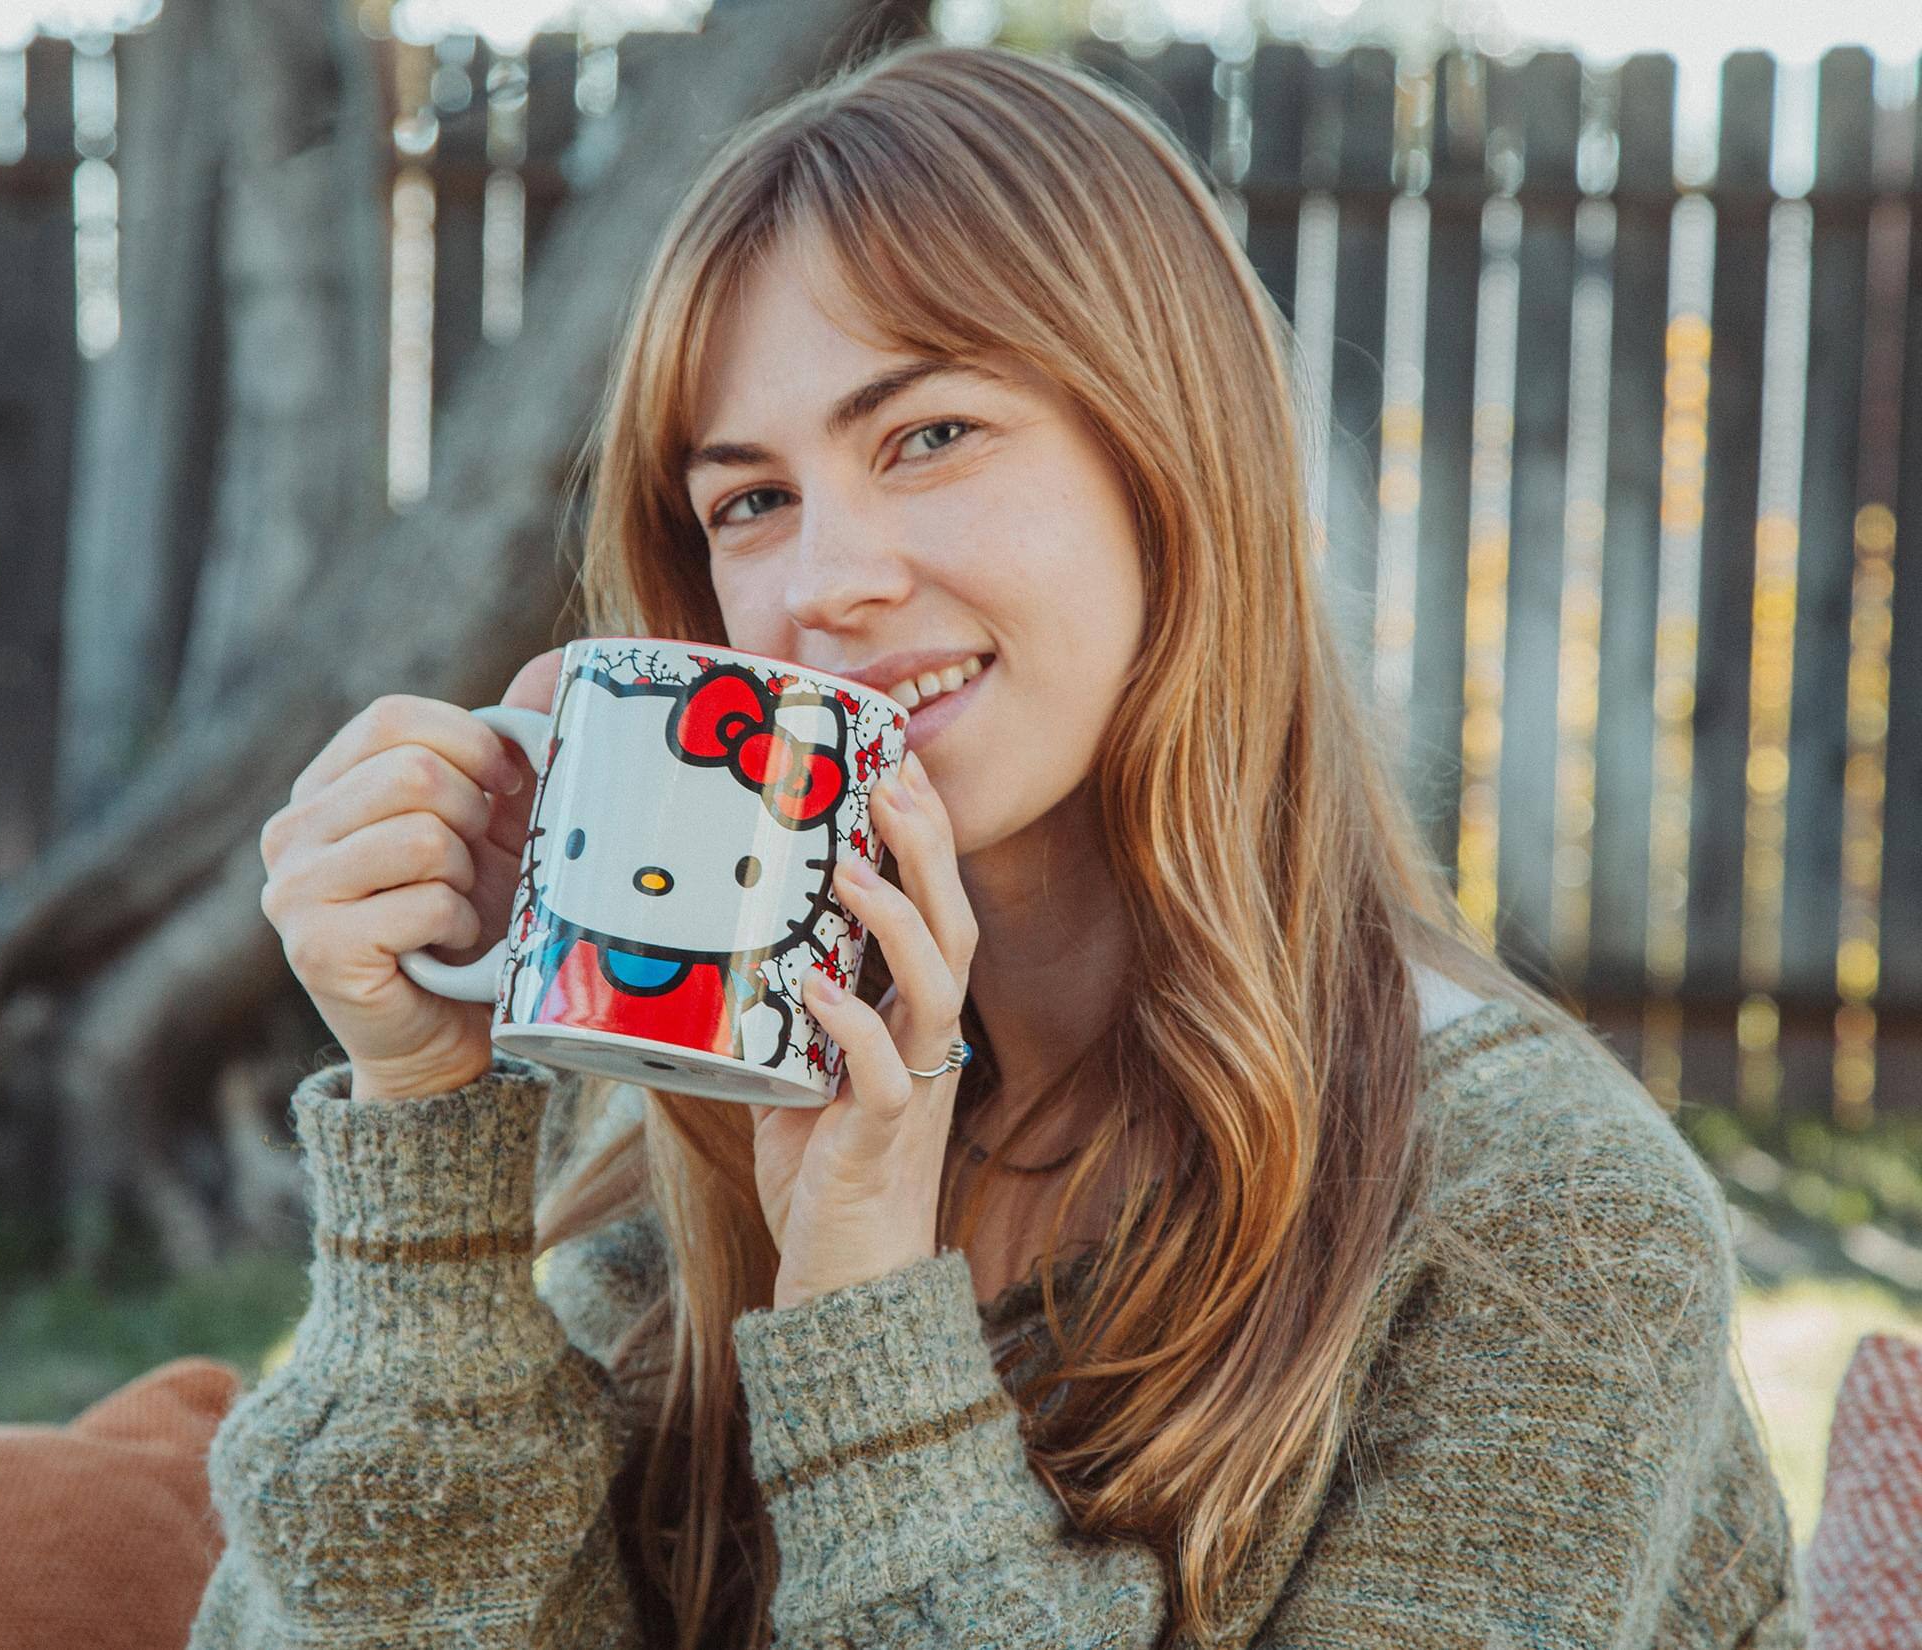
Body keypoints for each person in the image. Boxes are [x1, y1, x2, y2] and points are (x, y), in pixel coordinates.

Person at [194, 37, 1808, 1650]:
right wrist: (430, 1125)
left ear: (1173, 466)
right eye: (749, 502)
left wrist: (862, 1328)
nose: (828, 579)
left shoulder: (1544, 1221)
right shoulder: (664, 1136)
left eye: (928, 436)